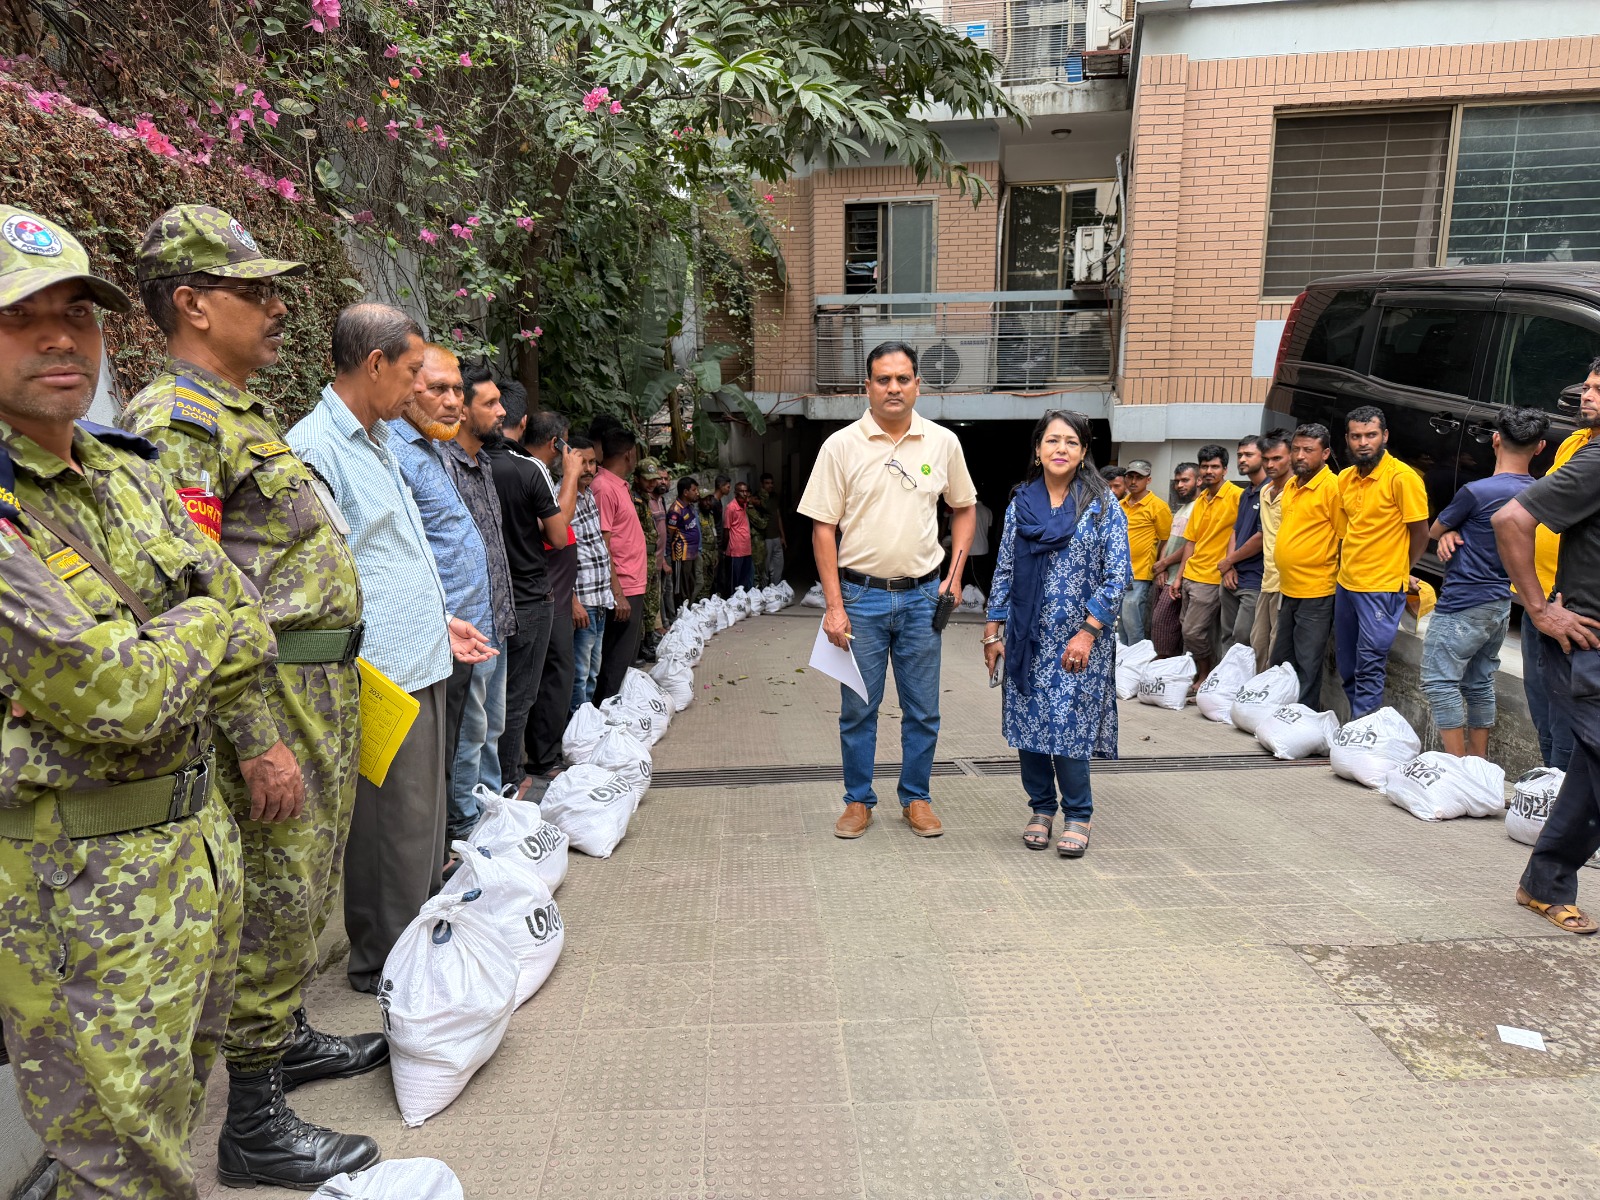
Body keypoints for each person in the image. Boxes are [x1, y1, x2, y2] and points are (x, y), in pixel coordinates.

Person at [0, 206, 273, 1198]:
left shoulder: (124, 471)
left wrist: (184, 631)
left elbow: (248, 624)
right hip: (81, 896)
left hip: (191, 858)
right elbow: (115, 694)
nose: (60, 337)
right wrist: (201, 622)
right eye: (19, 317)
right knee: (121, 1166)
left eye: (77, 312)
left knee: (166, 1131)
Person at [119, 205, 382, 1187]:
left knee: (302, 883)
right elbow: (188, 593)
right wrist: (254, 731)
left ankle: (287, 1041)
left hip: (317, 685)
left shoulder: (235, 414)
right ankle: (256, 1126)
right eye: (254, 292)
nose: (276, 309)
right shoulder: (176, 423)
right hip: (271, 695)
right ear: (191, 304)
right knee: (273, 893)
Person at [287, 303, 495, 995]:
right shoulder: (316, 446)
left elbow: (392, 556)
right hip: (380, 671)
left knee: (421, 831)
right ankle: (388, 966)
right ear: (373, 365)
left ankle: (413, 953)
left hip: (422, 657)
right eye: (410, 373)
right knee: (391, 835)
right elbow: (326, 577)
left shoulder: (376, 441)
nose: (417, 389)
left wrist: (441, 622)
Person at [799, 340, 977, 839]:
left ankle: (916, 798)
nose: (893, 388)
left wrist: (956, 573)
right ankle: (858, 800)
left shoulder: (943, 443)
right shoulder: (841, 446)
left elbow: (963, 508)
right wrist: (834, 607)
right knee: (858, 707)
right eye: (883, 379)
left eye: (903, 379)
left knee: (923, 708)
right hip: (860, 599)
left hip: (924, 599)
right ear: (868, 387)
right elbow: (822, 529)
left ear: (918, 384)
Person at [984, 412, 1130, 857]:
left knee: (1068, 727)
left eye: (1070, 441)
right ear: (1038, 449)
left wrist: (1087, 632)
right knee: (1030, 725)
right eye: (1052, 440)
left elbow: (1117, 574)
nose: (1060, 448)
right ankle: (1041, 808)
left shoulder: (1102, 505)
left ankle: (1079, 815)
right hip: (1027, 636)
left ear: (1084, 451)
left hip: (1079, 640)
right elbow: (1005, 566)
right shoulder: (1020, 503)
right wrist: (992, 628)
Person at [1492, 410, 1600, 935]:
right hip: (1585, 643)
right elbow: (1510, 520)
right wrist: (1537, 610)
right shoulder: (1596, 459)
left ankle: (1544, 883)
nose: (1588, 395)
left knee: (1587, 773)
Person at [391, 345, 498, 848]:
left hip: (468, 625)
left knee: (470, 736)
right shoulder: (391, 450)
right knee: (453, 743)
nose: (454, 401)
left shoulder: (433, 447)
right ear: (405, 384)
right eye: (439, 389)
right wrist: (442, 618)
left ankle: (459, 833)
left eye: (458, 390)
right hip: (440, 633)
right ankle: (456, 840)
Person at [1421, 408, 1548, 757]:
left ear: (1495, 440)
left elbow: (1435, 530)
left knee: (1439, 681)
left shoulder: (1476, 492)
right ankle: (1477, 767)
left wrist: (1452, 531)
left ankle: (1456, 767)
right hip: (1500, 604)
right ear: (1539, 448)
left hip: (1463, 601)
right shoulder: (1540, 492)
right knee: (1478, 684)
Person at [478, 378, 578, 793]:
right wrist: (570, 475)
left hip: (487, 597)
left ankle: (492, 783)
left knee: (489, 702)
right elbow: (557, 534)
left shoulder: (472, 460)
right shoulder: (528, 468)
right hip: (529, 596)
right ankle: (510, 780)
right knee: (517, 697)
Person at [440, 358, 515, 828]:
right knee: (470, 735)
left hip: (496, 619)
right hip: (464, 626)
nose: (502, 411)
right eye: (490, 402)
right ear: (463, 411)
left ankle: (490, 812)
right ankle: (466, 825)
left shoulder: (483, 462)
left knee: (493, 728)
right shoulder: (439, 464)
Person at [1334, 406, 1429, 719]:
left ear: (1384, 436)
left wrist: (1404, 570)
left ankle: (1364, 737)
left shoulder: (1403, 478)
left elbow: (1420, 533)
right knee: (1347, 666)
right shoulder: (1345, 478)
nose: (1363, 442)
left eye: (1371, 435)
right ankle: (1358, 729)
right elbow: (1345, 532)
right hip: (1346, 584)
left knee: (1369, 667)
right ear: (1347, 439)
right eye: (1357, 436)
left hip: (1382, 587)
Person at [1524, 364, 1598, 770]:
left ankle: (1564, 806)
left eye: (1598, 390)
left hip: (1577, 611)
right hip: (1544, 601)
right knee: (1544, 712)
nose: (1586, 395)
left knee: (1573, 726)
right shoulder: (1574, 442)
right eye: (1587, 387)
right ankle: (1547, 792)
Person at [521, 409, 583, 782]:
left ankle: (545, 752)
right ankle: (543, 757)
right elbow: (558, 527)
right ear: (557, 442)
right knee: (554, 675)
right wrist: (571, 474)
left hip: (555, 592)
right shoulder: (535, 471)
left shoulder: (531, 469)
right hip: (543, 591)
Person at [1271, 423, 1342, 708]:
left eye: (1308, 450)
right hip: (1288, 587)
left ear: (1325, 453)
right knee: (1281, 660)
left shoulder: (1333, 488)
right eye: (1296, 449)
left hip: (1317, 590)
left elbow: (1342, 538)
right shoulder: (1291, 485)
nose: (1300, 456)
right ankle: (1279, 715)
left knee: (1307, 663)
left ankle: (1302, 718)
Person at [1161, 444, 1239, 684]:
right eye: (1205, 466)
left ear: (1225, 470)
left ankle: (1205, 675)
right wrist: (1178, 577)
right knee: (1189, 629)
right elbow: (1191, 542)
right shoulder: (1202, 499)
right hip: (1191, 574)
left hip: (1212, 576)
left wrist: (1230, 564)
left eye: (1214, 466)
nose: (1209, 471)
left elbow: (1239, 533)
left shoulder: (1237, 496)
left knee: (1192, 631)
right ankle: (1199, 675)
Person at [592, 423, 647, 700]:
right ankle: (605, 712)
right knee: (614, 659)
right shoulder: (603, 487)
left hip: (633, 584)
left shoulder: (619, 486)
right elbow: (603, 543)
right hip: (622, 586)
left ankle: (615, 706)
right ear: (629, 454)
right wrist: (618, 592)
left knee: (625, 657)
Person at [569, 435, 611, 711]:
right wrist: (572, 601)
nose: (588, 468)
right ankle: (576, 731)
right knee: (579, 674)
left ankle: (586, 726)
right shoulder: (565, 497)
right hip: (582, 601)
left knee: (592, 672)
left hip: (600, 599)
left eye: (592, 462)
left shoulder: (589, 496)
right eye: (582, 462)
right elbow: (557, 556)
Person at [1219, 435, 1269, 655]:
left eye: (1249, 454)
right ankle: (1224, 687)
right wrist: (1229, 566)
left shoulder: (1270, 491)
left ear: (1264, 457)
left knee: (1243, 638)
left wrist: (1229, 561)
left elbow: (1261, 537)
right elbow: (1236, 531)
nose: (1242, 459)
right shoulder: (1246, 492)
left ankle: (1241, 688)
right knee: (1227, 637)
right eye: (1240, 455)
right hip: (1232, 576)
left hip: (1254, 579)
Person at [1250, 433, 1293, 671]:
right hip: (1267, 579)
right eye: (1266, 459)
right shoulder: (1265, 492)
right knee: (1258, 643)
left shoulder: (1296, 492)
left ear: (1290, 457)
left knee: (1278, 648)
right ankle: (1257, 695)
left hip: (1287, 583)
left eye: (1277, 458)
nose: (1270, 465)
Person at [1118, 459, 1171, 645]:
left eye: (1138, 478)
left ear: (1148, 480)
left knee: (1133, 623)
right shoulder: (1121, 505)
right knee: (1122, 624)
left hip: (1140, 573)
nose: (1133, 481)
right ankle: (1124, 665)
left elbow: (1167, 540)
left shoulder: (1157, 506)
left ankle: (1137, 662)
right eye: (1130, 477)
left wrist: (1162, 567)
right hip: (1119, 573)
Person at [1148, 462, 1197, 657]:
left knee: (1163, 625)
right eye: (1177, 481)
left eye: (1185, 480)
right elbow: (1169, 540)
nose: (1179, 485)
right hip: (1167, 576)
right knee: (1159, 627)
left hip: (1181, 577)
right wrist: (1162, 568)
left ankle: (1166, 670)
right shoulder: (1182, 508)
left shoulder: (1198, 507)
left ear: (1198, 480)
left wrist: (1165, 564)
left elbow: (1192, 544)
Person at [631, 456, 664, 658]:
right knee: (643, 605)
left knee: (652, 603)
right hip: (642, 559)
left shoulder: (646, 499)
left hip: (652, 558)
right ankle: (642, 644)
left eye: (654, 479)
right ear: (637, 479)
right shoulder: (635, 500)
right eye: (647, 479)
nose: (652, 483)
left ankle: (649, 640)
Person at [667, 476, 702, 609]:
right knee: (681, 586)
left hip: (693, 553)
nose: (697, 493)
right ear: (685, 492)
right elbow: (669, 535)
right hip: (682, 554)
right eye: (694, 490)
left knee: (693, 583)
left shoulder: (689, 507)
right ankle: (681, 611)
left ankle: (689, 609)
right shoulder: (676, 510)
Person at [698, 475, 729, 601]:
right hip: (704, 551)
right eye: (704, 499)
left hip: (714, 549)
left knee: (713, 579)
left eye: (709, 499)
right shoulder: (700, 514)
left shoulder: (711, 512)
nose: (707, 502)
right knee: (705, 581)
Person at [758, 471, 788, 585]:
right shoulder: (757, 498)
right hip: (766, 538)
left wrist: (782, 536)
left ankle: (776, 588)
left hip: (776, 537)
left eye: (771, 483)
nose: (770, 485)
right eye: (767, 483)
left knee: (778, 564)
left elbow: (778, 515)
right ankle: (765, 589)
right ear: (762, 484)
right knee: (765, 567)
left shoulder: (774, 496)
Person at [726, 479, 755, 591]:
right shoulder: (731, 508)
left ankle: (742, 601)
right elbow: (726, 529)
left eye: (746, 491)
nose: (745, 494)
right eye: (742, 491)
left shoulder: (744, 505)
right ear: (735, 493)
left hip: (746, 548)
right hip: (735, 550)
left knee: (745, 578)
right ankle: (733, 601)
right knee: (734, 580)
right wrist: (725, 549)